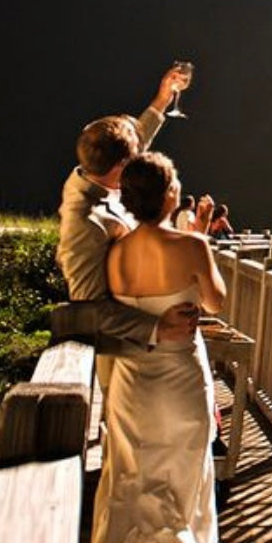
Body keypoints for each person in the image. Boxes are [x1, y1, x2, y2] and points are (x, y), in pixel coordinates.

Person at [77, 152, 250, 543]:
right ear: (169, 194)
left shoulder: (114, 253)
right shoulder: (193, 245)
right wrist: (199, 235)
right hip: (179, 379)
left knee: (130, 482)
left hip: (133, 379)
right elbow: (215, 302)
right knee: (183, 484)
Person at [55, 65, 199, 389]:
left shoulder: (96, 167)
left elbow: (131, 145)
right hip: (124, 354)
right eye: (134, 159)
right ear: (121, 167)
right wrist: (157, 327)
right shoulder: (85, 222)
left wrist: (161, 101)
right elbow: (88, 306)